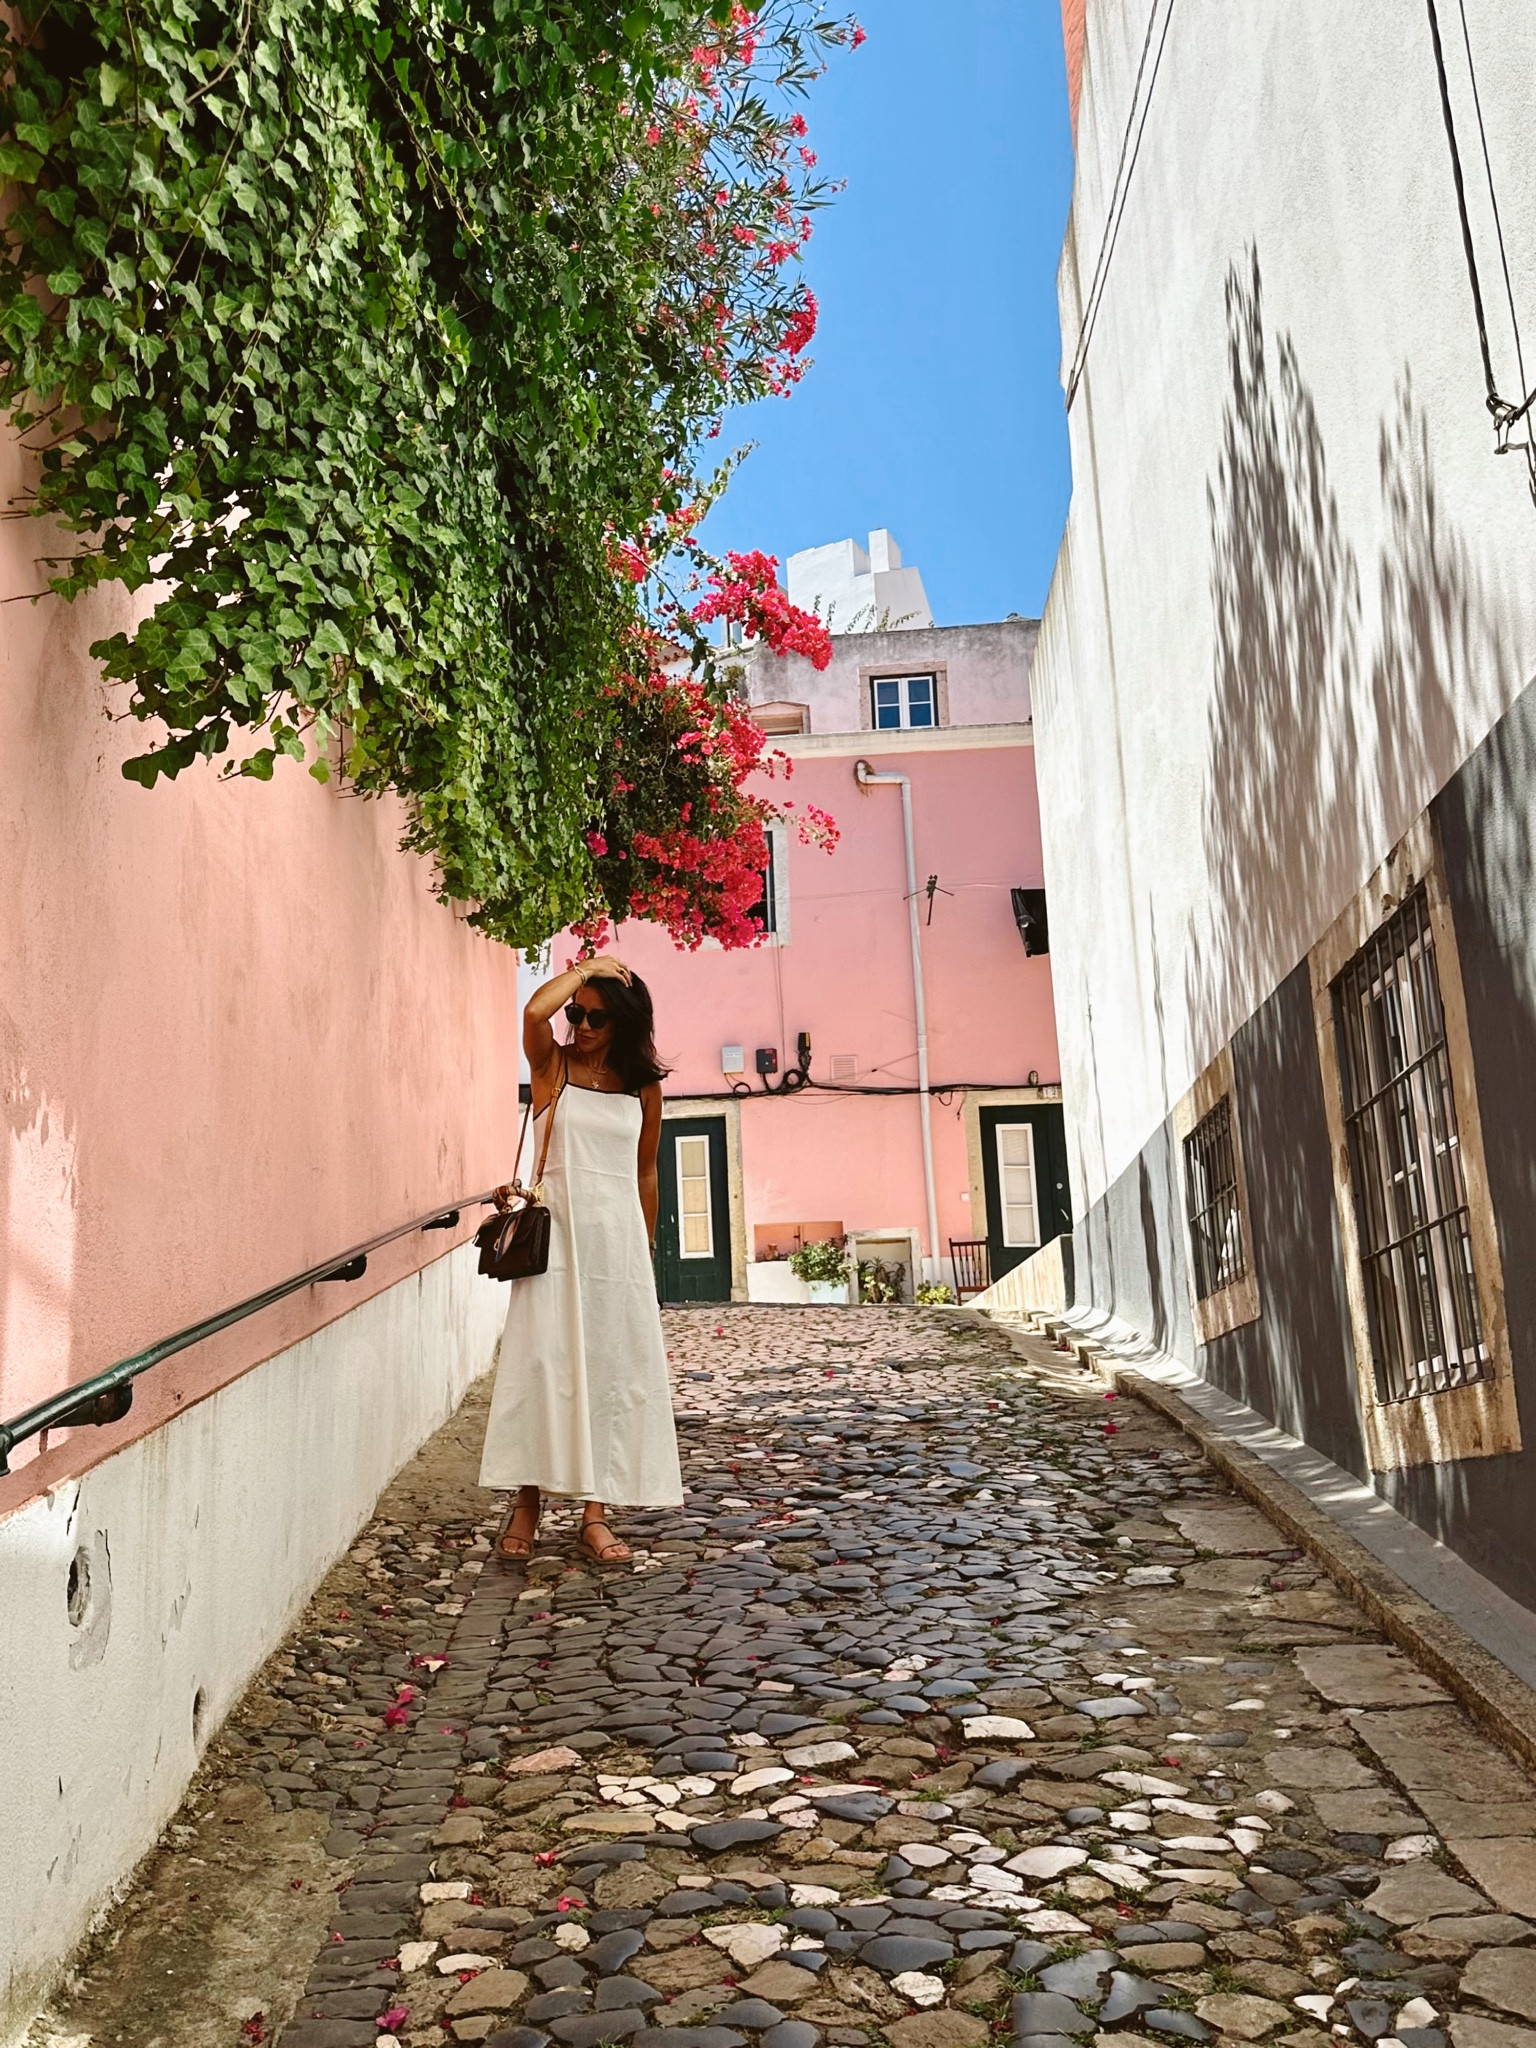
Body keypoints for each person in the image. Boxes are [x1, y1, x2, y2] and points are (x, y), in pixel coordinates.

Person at [480, 957, 682, 1564]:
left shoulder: (643, 1085)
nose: (583, 1023)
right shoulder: (553, 1067)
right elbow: (533, 1012)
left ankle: (596, 1513)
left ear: (624, 1021)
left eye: (597, 1016)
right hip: (557, 1242)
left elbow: (646, 1172)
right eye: (579, 1013)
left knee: (609, 1373)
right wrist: (587, 967)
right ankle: (527, 1502)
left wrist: (643, 1252)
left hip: (616, 1248)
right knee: (545, 1365)